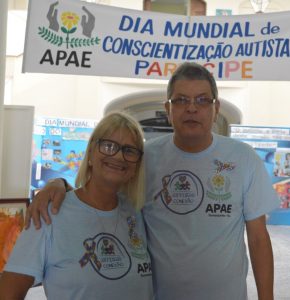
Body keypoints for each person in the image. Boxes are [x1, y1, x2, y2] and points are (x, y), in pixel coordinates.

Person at [24, 62, 279, 300]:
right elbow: (102, 193)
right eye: (181, 100)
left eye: (202, 100)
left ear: (216, 109)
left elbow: (258, 238)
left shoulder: (243, 158)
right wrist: (59, 184)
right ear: (168, 109)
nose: (192, 108)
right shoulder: (146, 158)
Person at [0, 112, 153, 300]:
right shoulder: (49, 213)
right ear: (90, 154)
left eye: (129, 150)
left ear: (136, 166)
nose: (119, 156)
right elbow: (8, 293)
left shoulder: (135, 214)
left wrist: (59, 182)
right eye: (108, 146)